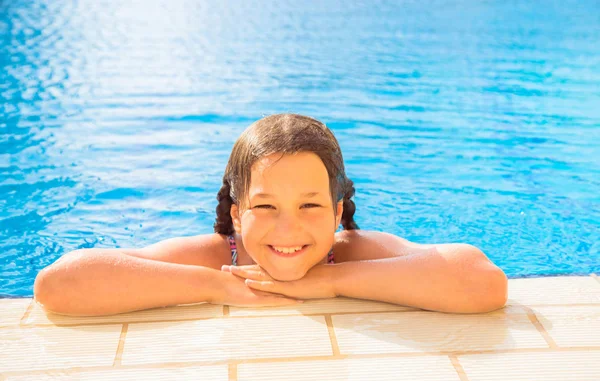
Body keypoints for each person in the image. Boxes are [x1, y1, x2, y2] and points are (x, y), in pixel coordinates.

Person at [33, 113, 508, 317]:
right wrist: (220, 285)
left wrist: (328, 282)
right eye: (265, 207)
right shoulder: (220, 255)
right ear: (237, 215)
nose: (289, 228)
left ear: (338, 211)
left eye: (310, 205)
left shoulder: (351, 253)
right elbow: (59, 284)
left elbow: (483, 281)